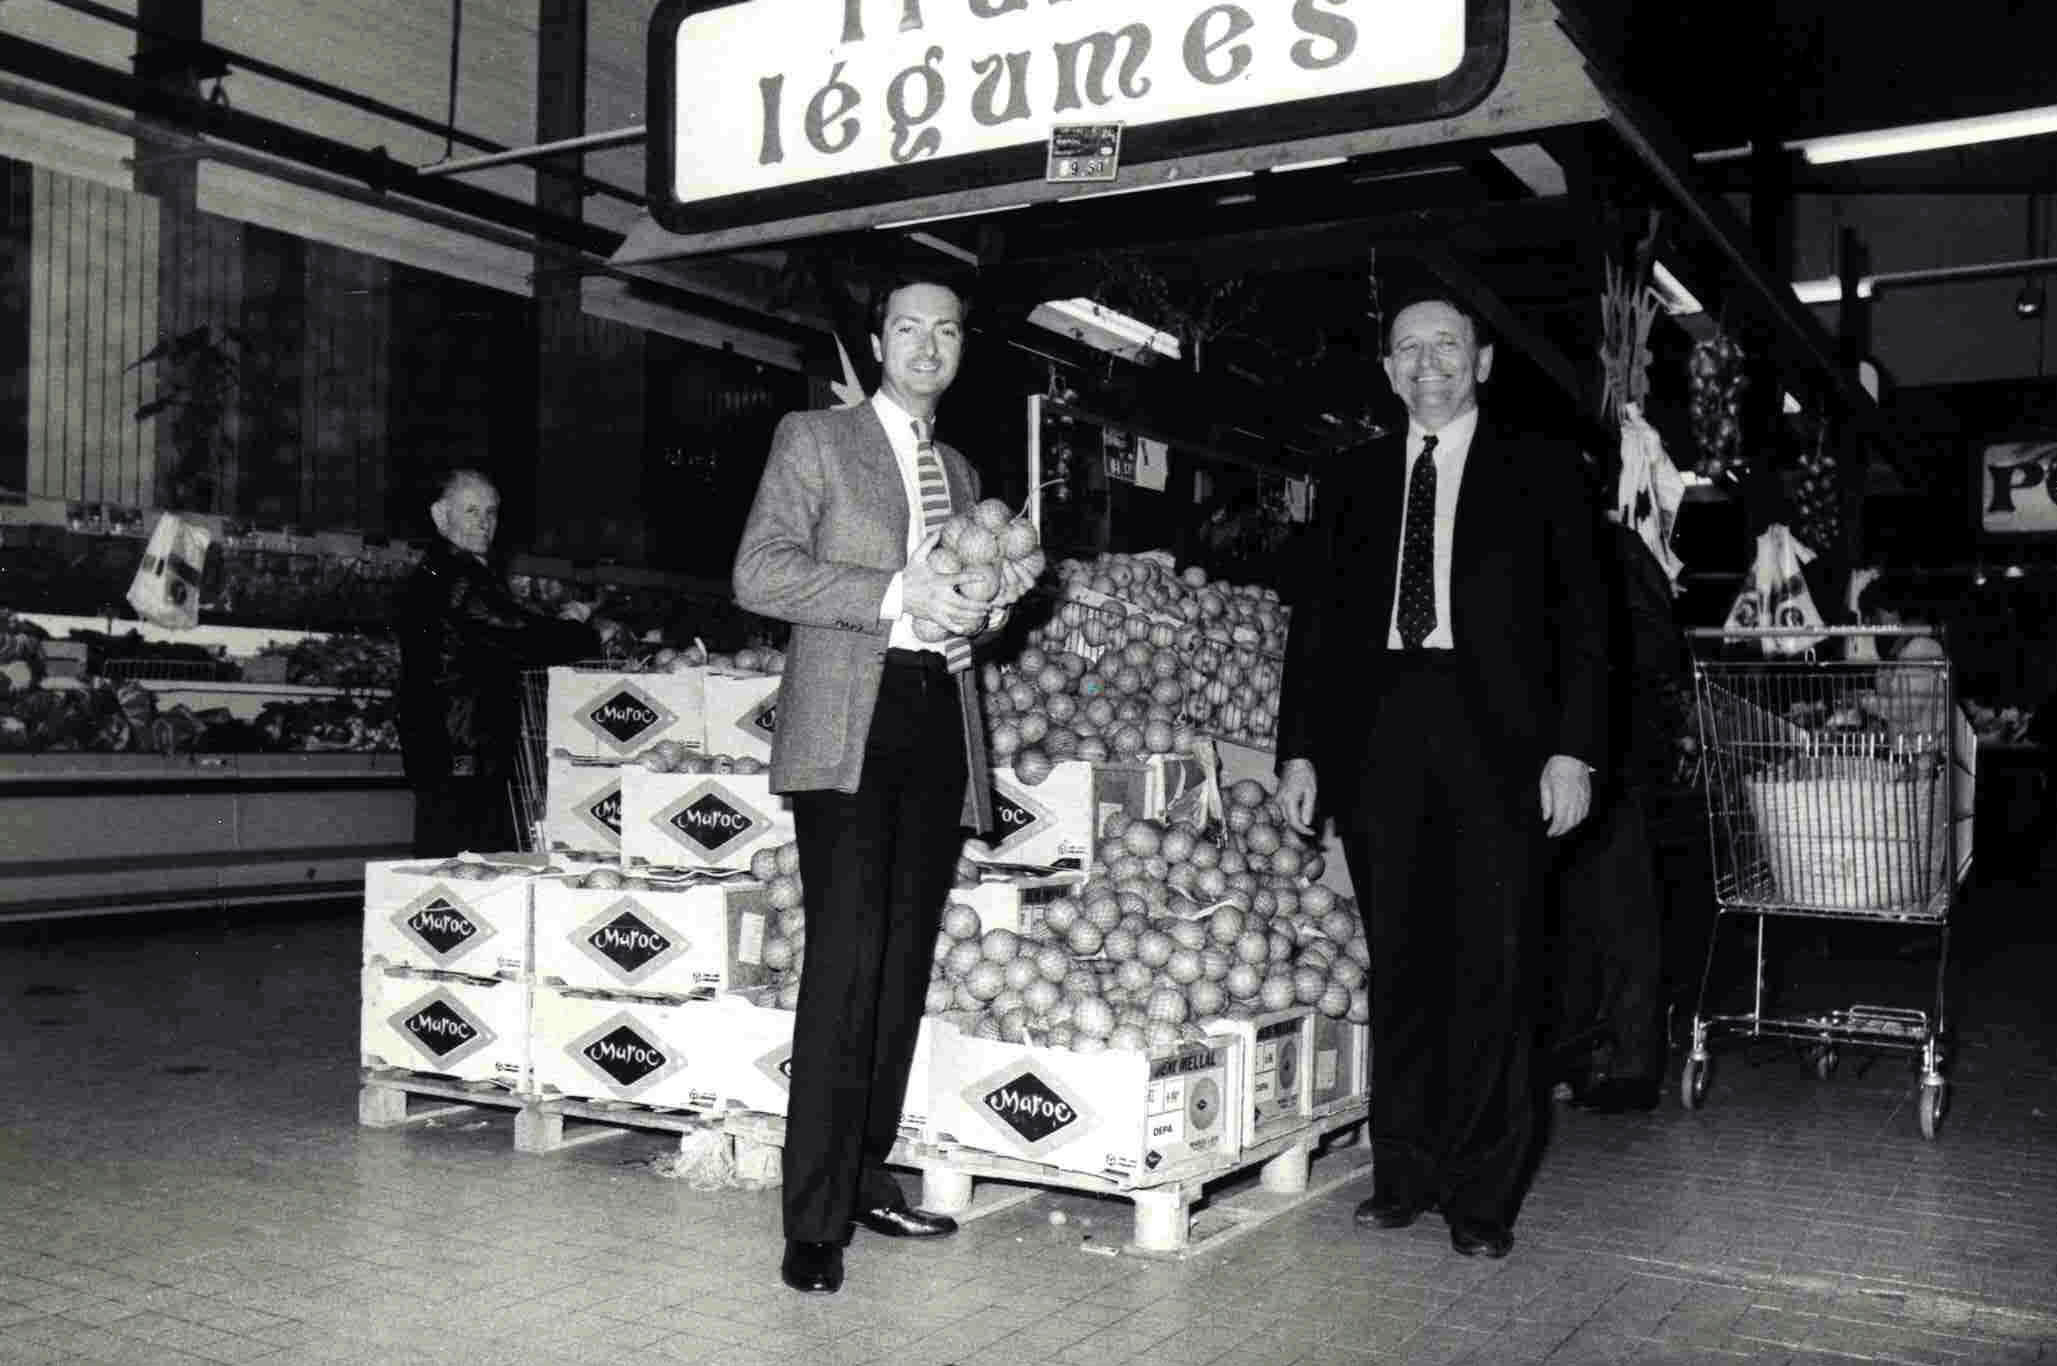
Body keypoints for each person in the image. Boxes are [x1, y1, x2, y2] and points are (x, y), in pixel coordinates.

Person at [1276, 295, 1609, 1259]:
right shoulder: (1348, 480)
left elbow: (1588, 626)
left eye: (1448, 347)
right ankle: (1404, 1171)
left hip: (1500, 741)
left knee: (1494, 969)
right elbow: (1317, 628)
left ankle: (1481, 1193)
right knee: (1406, 965)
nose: (1430, 365)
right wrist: (1301, 749)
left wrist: (1571, 750)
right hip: (1380, 738)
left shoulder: (1542, 468)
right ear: (1386, 370)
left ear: (1484, 360)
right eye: (1409, 350)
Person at [733, 272, 1016, 1296]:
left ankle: (862, 1174)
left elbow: (965, 609)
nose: (927, 345)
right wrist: (897, 590)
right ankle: (811, 1221)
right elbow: (757, 572)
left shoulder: (962, 467)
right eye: (909, 327)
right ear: (877, 341)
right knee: (845, 964)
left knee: (900, 965)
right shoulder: (815, 440)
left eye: (946, 330)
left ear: (959, 348)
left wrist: (990, 607)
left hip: (936, 717)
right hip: (847, 722)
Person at [1549, 507, 1698, 1113]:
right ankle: (1579, 1057)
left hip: (1616, 758)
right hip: (1571, 757)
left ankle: (1631, 1066)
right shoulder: (1552, 539)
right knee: (1579, 912)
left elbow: (1655, 648)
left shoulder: (1613, 548)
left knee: (1620, 910)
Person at [397, 469, 608, 857]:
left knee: (445, 860)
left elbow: (503, 627)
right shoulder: (458, 576)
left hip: (443, 745)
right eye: (471, 511)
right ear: (441, 516)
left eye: (491, 512)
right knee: (470, 862)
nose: (483, 522)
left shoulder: (437, 569)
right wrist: (582, 633)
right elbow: (518, 634)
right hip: (465, 749)